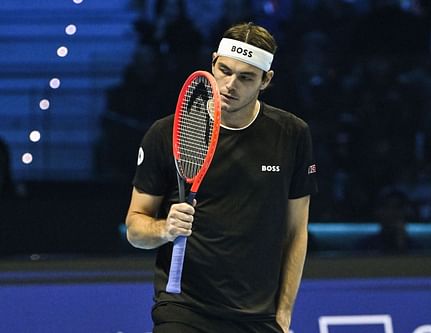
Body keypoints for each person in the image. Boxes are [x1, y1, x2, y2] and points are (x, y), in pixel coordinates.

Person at [125, 22, 318, 333]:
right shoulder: (167, 133)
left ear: (266, 80)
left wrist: (283, 314)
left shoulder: (292, 134)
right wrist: (165, 228)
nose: (230, 84)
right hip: (183, 310)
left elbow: (296, 232)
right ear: (213, 62)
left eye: (245, 77)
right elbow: (135, 229)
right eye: (224, 70)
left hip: (258, 316)